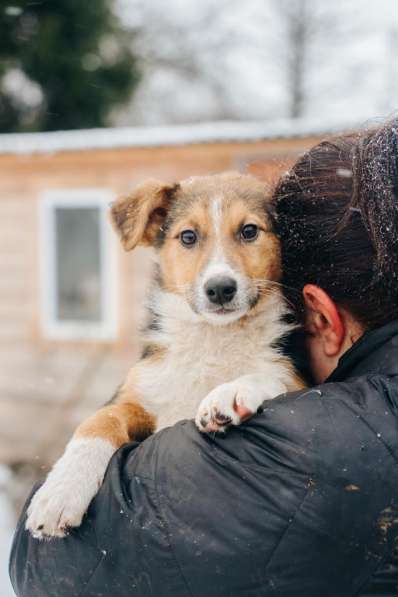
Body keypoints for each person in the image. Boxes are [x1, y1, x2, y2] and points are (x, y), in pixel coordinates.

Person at [9, 118, 398, 597]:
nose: (220, 271)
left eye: (248, 233)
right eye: (190, 239)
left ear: (281, 247)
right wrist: (84, 455)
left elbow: (291, 397)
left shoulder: (285, 374)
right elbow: (126, 414)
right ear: (155, 231)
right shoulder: (155, 369)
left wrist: (254, 389)